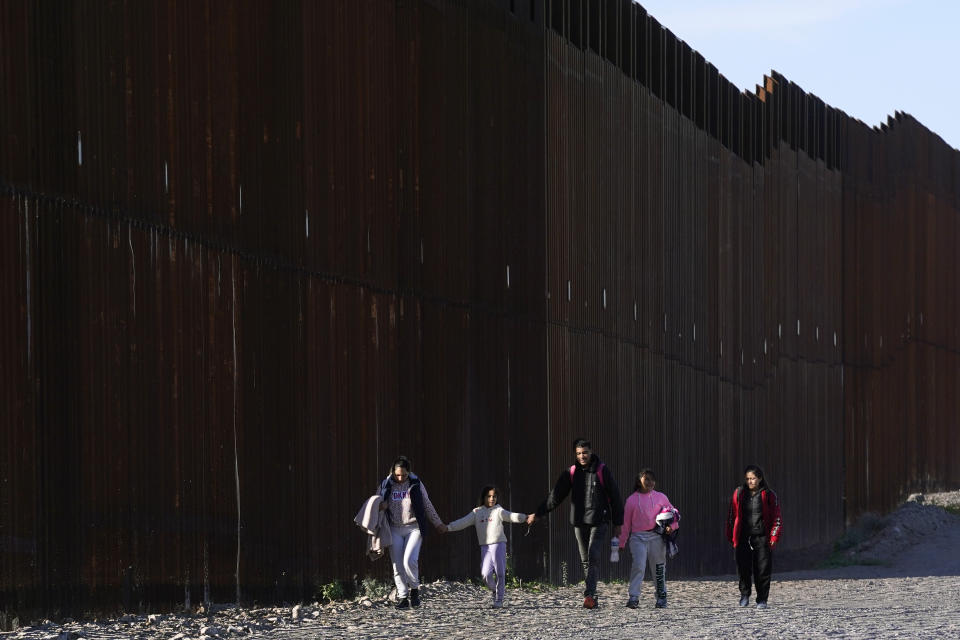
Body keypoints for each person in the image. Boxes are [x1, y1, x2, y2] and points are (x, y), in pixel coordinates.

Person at [526, 438, 623, 609]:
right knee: (585, 560)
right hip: (579, 522)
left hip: (599, 520)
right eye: (578, 453)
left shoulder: (602, 470)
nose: (582, 456)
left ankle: (590, 594)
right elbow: (556, 495)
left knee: (593, 555)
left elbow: (615, 496)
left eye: (585, 452)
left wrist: (618, 523)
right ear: (575, 454)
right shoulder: (571, 472)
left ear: (591, 451)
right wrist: (539, 513)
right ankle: (591, 593)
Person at [378, 456, 448, 609]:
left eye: (404, 474)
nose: (401, 478)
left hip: (414, 527)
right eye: (397, 475)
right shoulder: (386, 485)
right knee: (397, 564)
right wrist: (381, 505)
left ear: (409, 472)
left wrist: (438, 523)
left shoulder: (416, 484)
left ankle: (414, 590)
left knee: (409, 559)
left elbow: (427, 504)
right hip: (394, 528)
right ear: (393, 473)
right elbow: (377, 502)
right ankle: (403, 597)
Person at [446, 485, 527, 608]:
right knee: (485, 574)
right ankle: (494, 590)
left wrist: (525, 517)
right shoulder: (477, 512)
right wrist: (448, 527)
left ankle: (499, 599)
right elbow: (463, 522)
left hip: (498, 545)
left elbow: (511, 516)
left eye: (494, 496)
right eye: (489, 496)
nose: (492, 498)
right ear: (484, 497)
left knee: (500, 573)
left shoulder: (499, 511)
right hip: (485, 547)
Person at [618, 469, 679, 609]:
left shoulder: (661, 497)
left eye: (652, 479)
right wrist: (622, 542)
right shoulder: (632, 500)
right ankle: (634, 597)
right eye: (646, 479)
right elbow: (626, 524)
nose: (650, 482)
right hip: (638, 537)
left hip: (656, 537)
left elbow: (673, 514)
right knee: (638, 565)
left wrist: (672, 526)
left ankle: (661, 597)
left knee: (658, 567)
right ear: (639, 481)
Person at [725, 464, 782, 609]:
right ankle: (745, 595)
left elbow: (777, 517)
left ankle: (762, 599)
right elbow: (732, 514)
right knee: (743, 568)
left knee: (762, 569)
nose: (750, 481)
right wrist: (730, 534)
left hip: (762, 537)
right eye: (748, 479)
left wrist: (774, 537)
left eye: (753, 478)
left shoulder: (769, 495)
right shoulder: (739, 493)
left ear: (760, 478)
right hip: (743, 537)